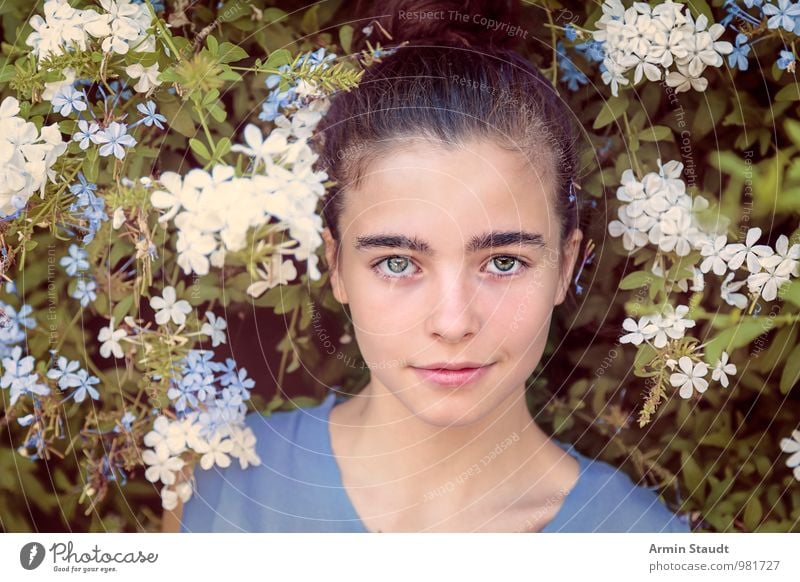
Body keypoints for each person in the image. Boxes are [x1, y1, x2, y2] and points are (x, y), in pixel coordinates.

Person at [179, 0, 690, 533]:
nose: (452, 323)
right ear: (336, 265)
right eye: (398, 262)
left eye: (504, 261)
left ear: (565, 267)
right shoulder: (221, 481)